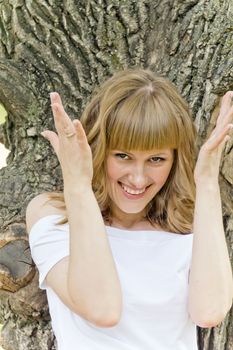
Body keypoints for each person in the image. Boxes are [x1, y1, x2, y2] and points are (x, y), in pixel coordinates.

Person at [26, 69, 233, 350]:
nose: (138, 178)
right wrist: (78, 184)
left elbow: (209, 312)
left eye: (156, 159)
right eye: (123, 156)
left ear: (174, 160)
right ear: (98, 149)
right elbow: (102, 309)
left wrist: (207, 182)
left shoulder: (188, 225)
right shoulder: (54, 215)